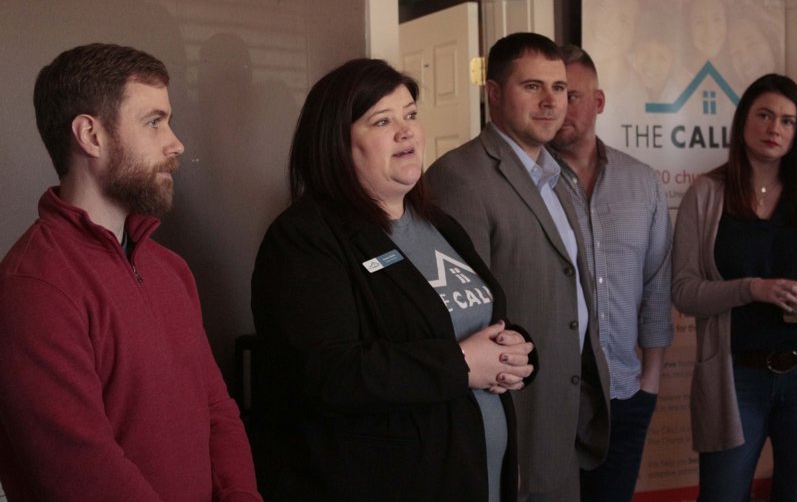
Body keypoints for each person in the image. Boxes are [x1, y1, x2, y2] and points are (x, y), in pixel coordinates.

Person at [250, 58, 535, 501]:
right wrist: (461, 365)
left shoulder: (439, 223)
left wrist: (513, 348)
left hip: (482, 476)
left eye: (411, 115)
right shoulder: (305, 238)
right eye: (383, 121)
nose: (407, 131)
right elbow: (327, 373)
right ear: (337, 142)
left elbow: (464, 322)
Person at [0, 43, 261, 502]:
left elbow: (217, 411)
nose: (175, 142)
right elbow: (81, 472)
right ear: (91, 135)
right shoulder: (32, 287)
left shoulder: (171, 270)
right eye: (153, 121)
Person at [426, 33, 610, 502]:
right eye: (533, 87)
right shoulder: (459, 177)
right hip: (511, 417)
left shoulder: (556, 175)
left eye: (560, 89)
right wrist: (505, 449)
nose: (552, 102)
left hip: (562, 409)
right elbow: (463, 320)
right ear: (493, 93)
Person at [548, 45, 673, 502]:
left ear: (598, 103)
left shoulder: (643, 184)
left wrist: (650, 386)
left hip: (626, 394)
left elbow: (657, 289)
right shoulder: (525, 183)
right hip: (549, 401)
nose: (561, 106)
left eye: (573, 94)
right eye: (555, 93)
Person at [672, 73, 797, 502]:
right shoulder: (707, 194)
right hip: (735, 377)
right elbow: (685, 291)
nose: (774, 129)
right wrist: (751, 289)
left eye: (788, 121)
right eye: (764, 115)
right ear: (743, 120)